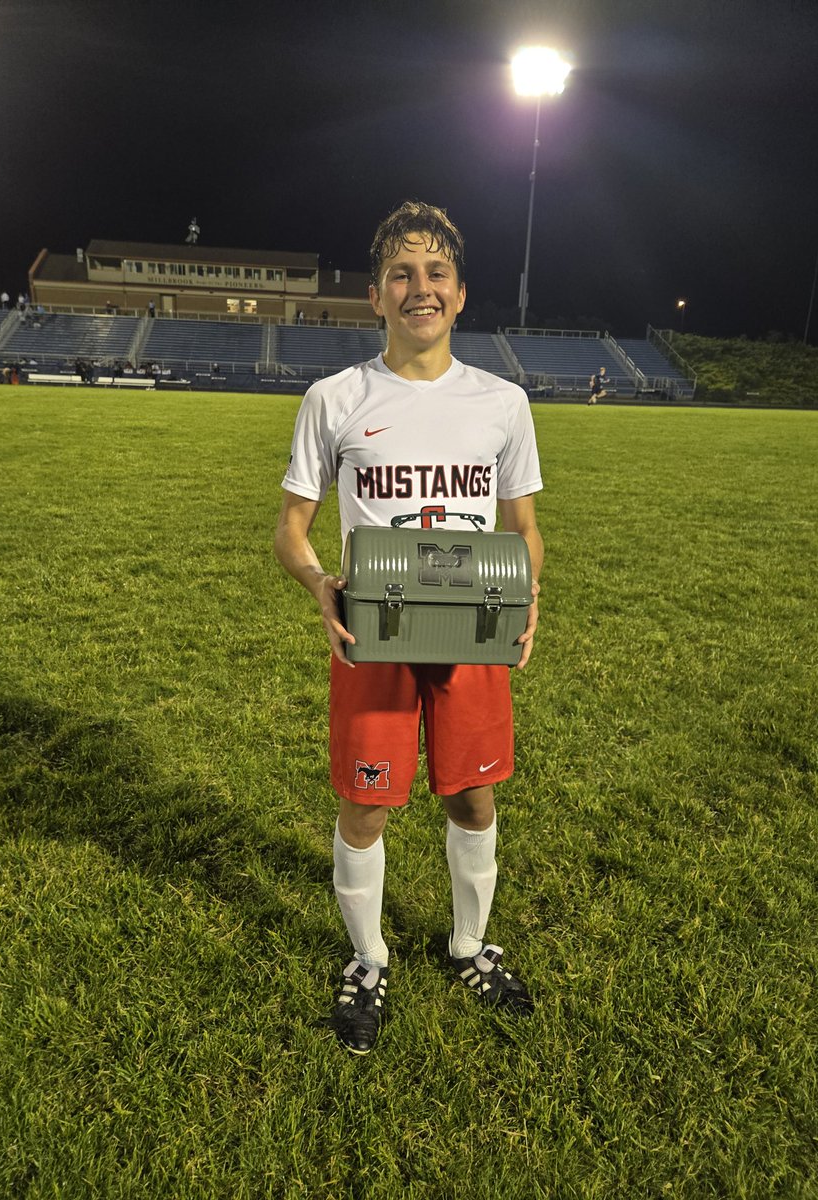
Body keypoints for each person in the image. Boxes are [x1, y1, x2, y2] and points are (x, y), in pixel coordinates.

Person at [274, 200, 544, 1055]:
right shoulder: (335, 397)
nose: (419, 287)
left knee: (473, 792)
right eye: (402, 273)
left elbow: (524, 526)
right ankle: (368, 958)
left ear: (460, 294)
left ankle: (469, 945)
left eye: (435, 273)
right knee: (366, 803)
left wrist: (527, 594)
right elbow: (291, 525)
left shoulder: (502, 401)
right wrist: (319, 581)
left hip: (469, 631)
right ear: (375, 295)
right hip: (375, 633)